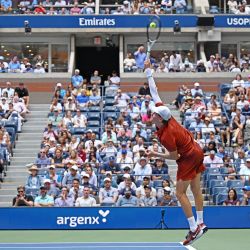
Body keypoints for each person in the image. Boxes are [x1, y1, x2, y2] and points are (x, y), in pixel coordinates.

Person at [144, 60, 207, 245]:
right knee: (196, 190)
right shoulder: (166, 117)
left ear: (160, 119)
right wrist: (148, 71)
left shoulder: (166, 135)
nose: (151, 113)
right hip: (197, 150)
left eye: (154, 113)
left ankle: (194, 228)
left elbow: (175, 157)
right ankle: (202, 223)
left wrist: (155, 155)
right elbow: (154, 91)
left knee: (180, 193)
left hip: (187, 157)